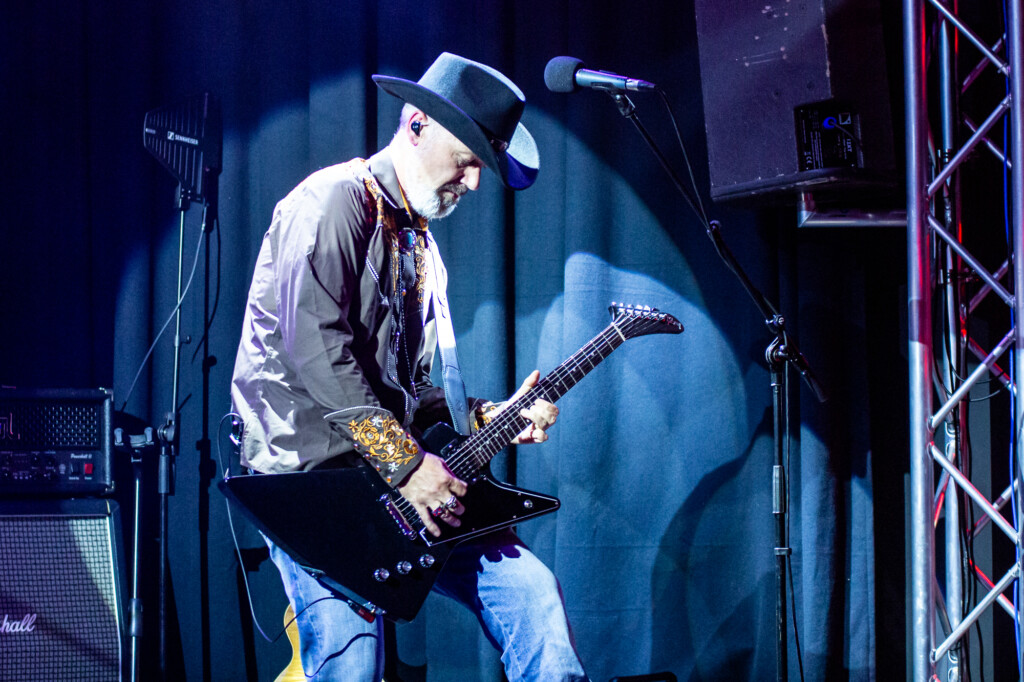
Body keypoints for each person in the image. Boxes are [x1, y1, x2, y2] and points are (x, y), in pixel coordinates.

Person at [230, 52, 588, 681]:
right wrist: (407, 465)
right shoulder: (330, 203)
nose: (474, 183)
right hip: (315, 489)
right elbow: (320, 356)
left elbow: (408, 389)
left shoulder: (419, 244)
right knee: (352, 666)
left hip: (395, 479)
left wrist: (489, 415)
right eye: (467, 160)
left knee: (534, 599)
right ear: (417, 124)